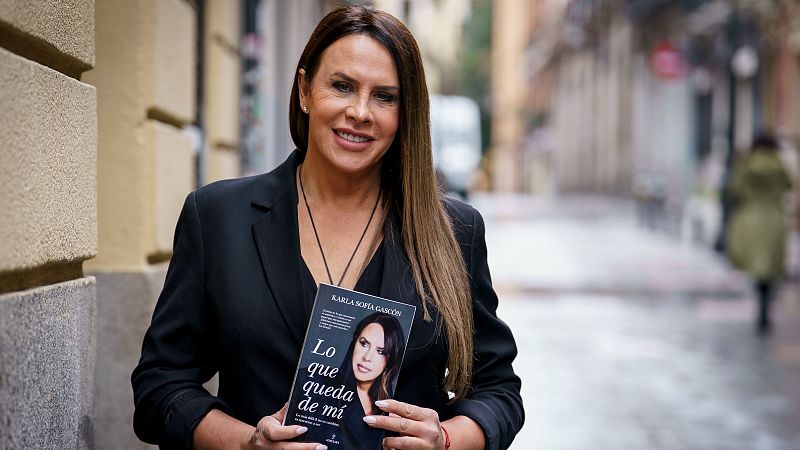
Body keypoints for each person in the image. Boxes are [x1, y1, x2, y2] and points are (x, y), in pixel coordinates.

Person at [132, 5, 523, 450]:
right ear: (304, 90)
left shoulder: (454, 231)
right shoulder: (218, 217)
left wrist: (446, 439)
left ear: (405, 113)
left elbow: (499, 392)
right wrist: (246, 443)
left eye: (385, 97)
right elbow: (159, 387)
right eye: (342, 86)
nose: (360, 111)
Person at [726, 133, 793, 334]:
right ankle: (766, 303)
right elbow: (789, 186)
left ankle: (761, 302)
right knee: (771, 265)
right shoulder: (780, 165)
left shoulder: (746, 165)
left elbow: (736, 190)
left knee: (757, 264)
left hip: (751, 218)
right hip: (774, 218)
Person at [335, 313, 405, 450]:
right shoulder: (313, 380)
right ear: (354, 342)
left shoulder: (395, 405)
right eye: (364, 344)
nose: (367, 357)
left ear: (391, 360)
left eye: (380, 351)